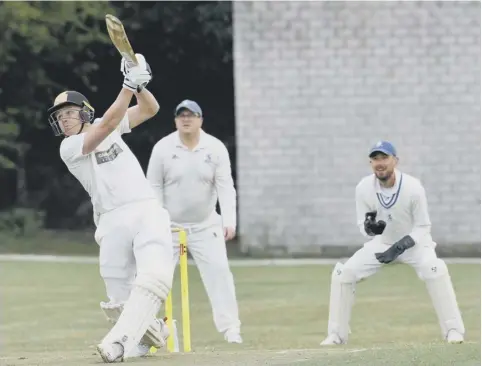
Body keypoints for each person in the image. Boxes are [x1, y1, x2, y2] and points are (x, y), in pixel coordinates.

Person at [48, 54, 174, 362]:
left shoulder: (110, 124)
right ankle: (155, 332)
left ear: (84, 113)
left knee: (154, 275)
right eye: (59, 115)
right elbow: (104, 129)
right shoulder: (70, 147)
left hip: (144, 208)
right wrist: (128, 84)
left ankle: (118, 344)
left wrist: (140, 85)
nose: (64, 119)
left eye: (69, 112)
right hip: (110, 218)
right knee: (118, 297)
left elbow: (150, 109)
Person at [320, 141, 465, 346]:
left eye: (384, 158)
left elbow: (423, 226)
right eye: (375, 159)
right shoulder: (363, 188)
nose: (380, 163)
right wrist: (370, 230)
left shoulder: (413, 187)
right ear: (371, 162)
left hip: (415, 245)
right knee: (344, 274)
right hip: (383, 244)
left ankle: (453, 330)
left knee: (435, 269)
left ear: (395, 161)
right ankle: (336, 335)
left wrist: (400, 246)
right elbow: (363, 224)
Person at [146, 100, 242, 343]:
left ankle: (231, 330)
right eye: (181, 116)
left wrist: (229, 220)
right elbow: (153, 186)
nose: (186, 120)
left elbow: (225, 186)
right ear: (176, 120)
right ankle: (148, 331)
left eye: (191, 116)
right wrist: (155, 221)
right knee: (156, 277)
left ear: (200, 120)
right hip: (169, 228)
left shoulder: (215, 148)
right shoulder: (163, 148)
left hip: (205, 225)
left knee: (220, 274)